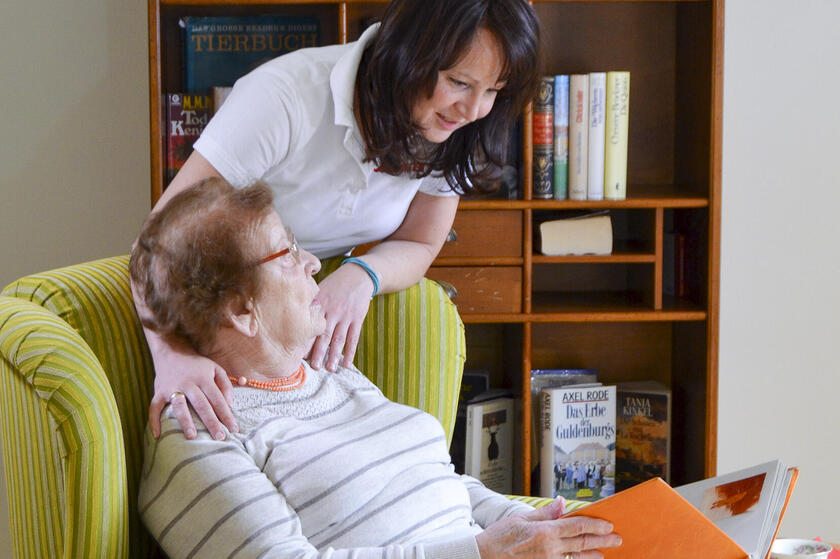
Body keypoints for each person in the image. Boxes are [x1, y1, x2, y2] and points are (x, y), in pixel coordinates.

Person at [132, 179, 622, 559]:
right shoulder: (202, 429)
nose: (312, 264)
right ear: (241, 311)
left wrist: (534, 525)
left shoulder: (333, 375)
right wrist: (484, 551)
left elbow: (437, 485)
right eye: (287, 253)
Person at [134, 0, 544, 443]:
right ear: (407, 53)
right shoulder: (285, 97)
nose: (472, 110)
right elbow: (156, 245)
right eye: (458, 83)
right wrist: (170, 355)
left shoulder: (454, 127)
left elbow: (421, 243)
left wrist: (363, 274)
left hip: (300, 319)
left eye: (493, 90)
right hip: (226, 321)